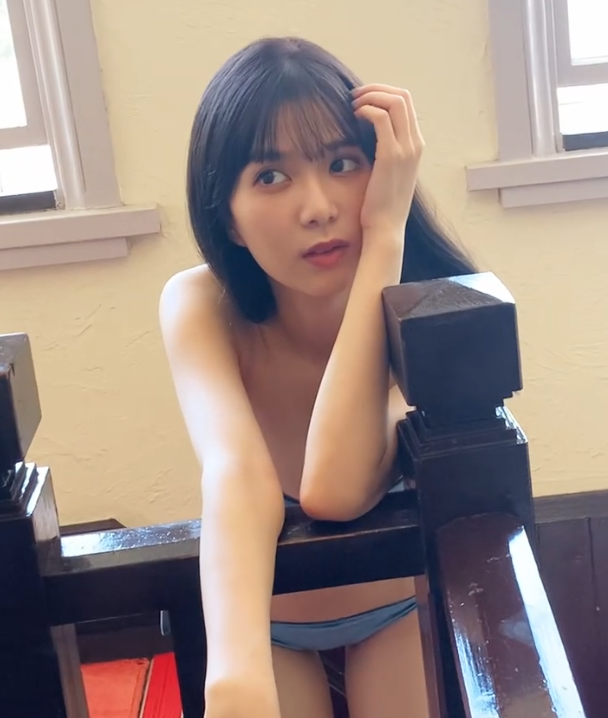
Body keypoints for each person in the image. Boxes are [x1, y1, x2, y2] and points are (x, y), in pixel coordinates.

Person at [159, 35, 477, 718]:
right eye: (271, 177)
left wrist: (386, 231)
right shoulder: (199, 304)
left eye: (341, 163)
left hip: (397, 606)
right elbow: (235, 471)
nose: (318, 206)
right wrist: (233, 676)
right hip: (272, 621)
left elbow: (334, 488)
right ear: (228, 218)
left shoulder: (425, 299)